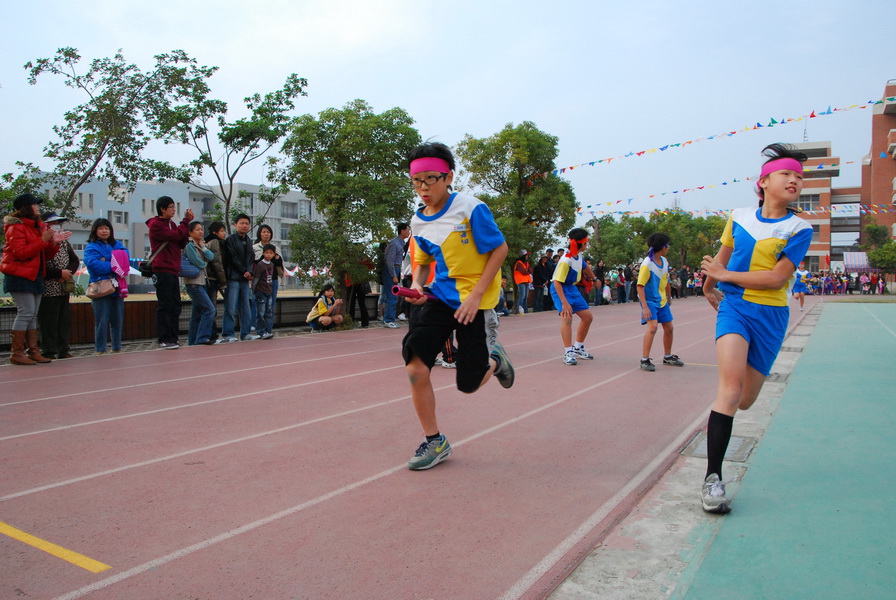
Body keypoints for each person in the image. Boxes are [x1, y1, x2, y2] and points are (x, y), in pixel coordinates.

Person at [700, 143, 813, 514]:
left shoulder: (800, 228)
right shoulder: (739, 217)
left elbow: (778, 277)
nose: (794, 180)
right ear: (764, 182)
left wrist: (723, 275)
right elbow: (722, 258)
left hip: (771, 316)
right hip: (735, 308)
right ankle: (713, 480)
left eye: (799, 176)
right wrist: (709, 286)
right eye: (786, 174)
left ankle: (726, 416)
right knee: (730, 391)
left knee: (745, 400)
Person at [401, 141, 515, 471]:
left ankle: (497, 359)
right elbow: (422, 263)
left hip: (476, 302)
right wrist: (417, 286)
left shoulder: (470, 208)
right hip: (441, 297)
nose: (423, 188)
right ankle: (435, 441)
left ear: (448, 177)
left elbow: (500, 249)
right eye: (416, 181)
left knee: (468, 384)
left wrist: (476, 296)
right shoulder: (418, 221)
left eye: (430, 179)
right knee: (415, 366)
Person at [1, 194, 66, 365]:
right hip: (19, 274)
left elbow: (45, 254)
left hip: (36, 274)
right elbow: (21, 253)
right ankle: (17, 353)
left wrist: (53, 243)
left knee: (32, 314)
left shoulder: (38, 226)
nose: (38, 207)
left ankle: (33, 351)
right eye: (34, 204)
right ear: (26, 207)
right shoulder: (16, 227)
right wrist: (43, 240)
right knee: (26, 312)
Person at [147, 196, 192, 349]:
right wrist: (185, 222)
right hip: (162, 269)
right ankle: (164, 338)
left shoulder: (172, 224)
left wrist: (184, 230)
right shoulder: (155, 225)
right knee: (165, 304)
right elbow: (174, 236)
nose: (174, 210)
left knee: (175, 305)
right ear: (162, 209)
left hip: (173, 269)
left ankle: (173, 337)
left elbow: (180, 240)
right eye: (171, 207)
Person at [637, 233, 683, 372]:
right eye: (667, 246)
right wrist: (645, 307)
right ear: (663, 247)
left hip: (662, 300)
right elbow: (640, 286)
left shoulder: (664, 261)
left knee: (669, 328)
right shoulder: (647, 264)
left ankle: (667, 356)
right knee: (652, 328)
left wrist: (669, 297)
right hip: (650, 301)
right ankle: (645, 359)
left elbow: (666, 281)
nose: (668, 248)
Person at [550, 228, 595, 366]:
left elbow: (585, 267)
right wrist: (564, 302)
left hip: (572, 289)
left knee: (588, 317)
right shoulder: (566, 260)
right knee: (567, 317)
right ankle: (568, 352)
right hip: (560, 289)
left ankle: (578, 347)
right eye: (586, 242)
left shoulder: (578, 256)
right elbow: (557, 282)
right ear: (582, 243)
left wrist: (594, 278)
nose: (587, 244)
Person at [84, 218, 129, 355]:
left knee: (118, 320)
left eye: (107, 228)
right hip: (100, 288)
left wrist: (105, 259)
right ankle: (100, 350)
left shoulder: (117, 244)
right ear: (95, 230)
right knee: (101, 321)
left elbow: (125, 258)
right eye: (101, 228)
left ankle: (117, 347)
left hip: (117, 288)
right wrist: (115, 263)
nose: (104, 231)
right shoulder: (91, 246)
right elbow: (93, 264)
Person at [37, 212, 79, 359]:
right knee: (48, 321)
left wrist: (67, 273)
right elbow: (40, 265)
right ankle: (48, 350)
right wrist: (58, 273)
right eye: (52, 223)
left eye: (58, 223)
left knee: (63, 320)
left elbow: (74, 260)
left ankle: (63, 349)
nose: (56, 226)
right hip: (47, 289)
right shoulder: (41, 240)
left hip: (63, 288)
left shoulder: (64, 242)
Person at [221, 214, 258, 342]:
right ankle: (228, 334)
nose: (244, 225)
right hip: (233, 278)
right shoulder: (230, 239)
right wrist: (244, 271)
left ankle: (245, 333)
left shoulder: (248, 240)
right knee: (230, 307)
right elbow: (232, 258)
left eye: (247, 223)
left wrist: (249, 271)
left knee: (245, 307)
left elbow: (251, 258)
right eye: (242, 223)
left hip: (244, 279)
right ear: (235, 224)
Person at [183, 221, 216, 345]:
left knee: (196, 314)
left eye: (201, 229)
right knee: (210, 309)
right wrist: (204, 264)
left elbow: (211, 257)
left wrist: (203, 247)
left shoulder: (201, 245)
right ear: (190, 232)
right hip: (193, 283)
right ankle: (202, 337)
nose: (201, 232)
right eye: (197, 230)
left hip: (201, 282)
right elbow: (197, 261)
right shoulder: (189, 246)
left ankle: (192, 342)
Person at [252, 224, 283, 329]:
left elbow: (279, 264)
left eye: (268, 232)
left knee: (271, 305)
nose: (266, 234)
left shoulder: (276, 248)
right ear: (259, 234)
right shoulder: (254, 248)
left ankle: (268, 329)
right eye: (264, 232)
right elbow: (254, 263)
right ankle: (257, 327)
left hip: (272, 280)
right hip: (259, 281)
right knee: (258, 305)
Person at [382, 223, 411, 328]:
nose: (408, 232)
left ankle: (389, 318)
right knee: (392, 295)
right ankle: (388, 320)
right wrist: (393, 275)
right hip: (392, 269)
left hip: (397, 268)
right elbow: (389, 261)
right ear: (402, 231)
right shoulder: (395, 243)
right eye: (407, 230)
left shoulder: (402, 243)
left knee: (392, 294)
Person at [203, 222, 227, 343]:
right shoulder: (215, 242)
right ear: (215, 232)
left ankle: (209, 335)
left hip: (207, 279)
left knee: (209, 308)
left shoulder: (206, 242)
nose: (224, 233)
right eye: (222, 231)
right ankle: (212, 335)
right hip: (212, 279)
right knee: (212, 309)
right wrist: (223, 282)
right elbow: (217, 263)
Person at [252, 244, 276, 339]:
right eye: (266, 253)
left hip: (268, 291)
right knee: (260, 312)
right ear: (263, 253)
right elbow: (256, 278)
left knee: (268, 311)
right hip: (261, 291)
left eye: (270, 253)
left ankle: (268, 330)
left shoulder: (272, 264)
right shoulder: (260, 265)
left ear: (274, 254)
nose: (268, 255)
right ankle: (260, 331)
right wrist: (254, 290)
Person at [513, 250, 532, 315]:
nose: (527, 256)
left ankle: (525, 310)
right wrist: (528, 270)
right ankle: (520, 310)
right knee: (522, 296)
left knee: (526, 297)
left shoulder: (526, 263)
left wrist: (528, 270)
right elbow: (524, 272)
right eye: (526, 255)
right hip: (521, 281)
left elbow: (531, 270)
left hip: (526, 281)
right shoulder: (519, 263)